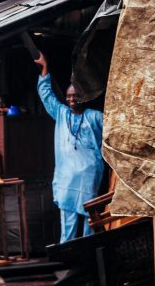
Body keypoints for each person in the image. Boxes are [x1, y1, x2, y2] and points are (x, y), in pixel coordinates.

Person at [34, 54, 104, 242]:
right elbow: (46, 95)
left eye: (75, 96)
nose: (72, 99)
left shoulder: (95, 117)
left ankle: (90, 250)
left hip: (88, 174)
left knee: (89, 216)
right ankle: (69, 251)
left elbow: (113, 131)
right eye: (69, 96)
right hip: (66, 177)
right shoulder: (61, 113)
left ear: (83, 97)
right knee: (68, 219)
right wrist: (45, 68)